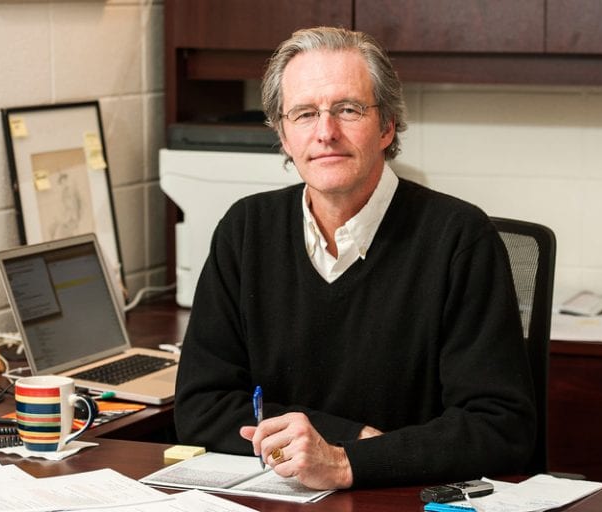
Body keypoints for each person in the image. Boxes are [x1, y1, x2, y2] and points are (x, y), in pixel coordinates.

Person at [174, 26, 535, 490]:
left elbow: (500, 428)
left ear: (386, 126)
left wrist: (348, 462)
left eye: (348, 109)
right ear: (283, 135)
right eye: (304, 114)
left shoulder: (460, 238)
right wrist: (345, 438)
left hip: (409, 501)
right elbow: (200, 408)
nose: (326, 133)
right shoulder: (244, 231)